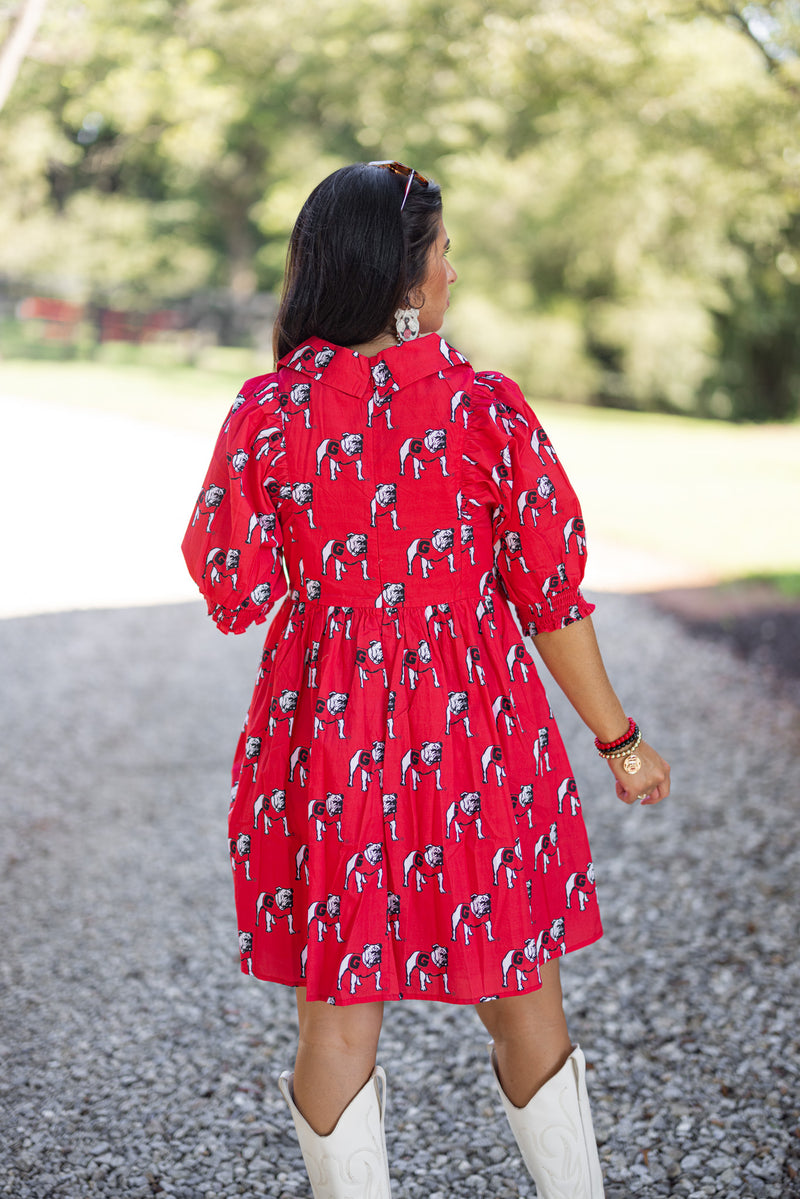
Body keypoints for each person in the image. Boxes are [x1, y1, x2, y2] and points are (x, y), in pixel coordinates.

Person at [182, 160, 670, 1199]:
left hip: (324, 732)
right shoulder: (483, 410)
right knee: (522, 991)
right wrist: (618, 740)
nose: (451, 271)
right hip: (478, 734)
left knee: (337, 1007)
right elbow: (549, 597)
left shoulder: (269, 413)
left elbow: (234, 590)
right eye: (443, 253)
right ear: (407, 278)